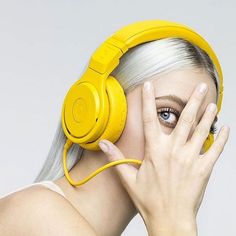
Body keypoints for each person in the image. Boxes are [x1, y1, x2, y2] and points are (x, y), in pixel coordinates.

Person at [0, 37, 230, 236]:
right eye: (167, 114)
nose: (186, 147)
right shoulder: (38, 214)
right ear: (104, 110)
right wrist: (176, 222)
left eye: (203, 129)